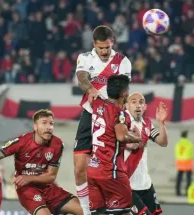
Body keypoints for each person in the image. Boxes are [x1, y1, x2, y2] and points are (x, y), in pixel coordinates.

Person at [0, 109, 83, 215]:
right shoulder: (21, 142)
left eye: (51, 123)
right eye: (44, 123)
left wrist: (29, 177)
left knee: (83, 210)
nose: (49, 127)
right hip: (27, 189)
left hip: (49, 189)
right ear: (35, 126)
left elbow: (51, 176)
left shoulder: (57, 144)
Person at [74, 25, 132, 214]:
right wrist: (90, 88)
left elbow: (122, 93)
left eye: (107, 47)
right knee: (80, 168)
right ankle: (85, 210)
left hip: (111, 117)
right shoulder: (85, 58)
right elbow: (82, 77)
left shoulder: (123, 62)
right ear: (94, 44)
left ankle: (117, 204)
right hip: (89, 114)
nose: (105, 51)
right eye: (101, 48)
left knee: (111, 167)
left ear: (112, 42)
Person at [88, 74, 143, 214]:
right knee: (124, 211)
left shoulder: (97, 104)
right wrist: (137, 138)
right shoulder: (119, 112)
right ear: (125, 93)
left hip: (93, 171)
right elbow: (121, 136)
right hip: (110, 171)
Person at [124, 92, 169, 215]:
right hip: (127, 185)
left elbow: (163, 142)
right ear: (127, 105)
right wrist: (131, 143)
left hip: (145, 184)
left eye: (141, 102)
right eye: (133, 102)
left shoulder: (147, 123)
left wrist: (161, 123)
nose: (138, 105)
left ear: (145, 107)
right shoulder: (122, 122)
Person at [174, 130, 194, 196]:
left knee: (179, 178)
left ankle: (177, 192)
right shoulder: (189, 143)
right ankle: (187, 192)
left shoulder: (178, 143)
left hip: (180, 162)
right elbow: (191, 153)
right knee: (188, 179)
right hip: (188, 162)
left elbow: (176, 152)